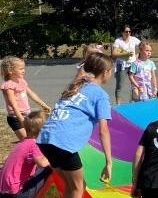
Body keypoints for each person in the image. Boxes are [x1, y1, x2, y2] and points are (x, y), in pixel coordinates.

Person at [37, 53, 113, 198]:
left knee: (72, 186)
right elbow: (103, 131)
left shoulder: (75, 87)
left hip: (46, 139)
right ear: (105, 72)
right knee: (77, 189)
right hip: (63, 142)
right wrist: (109, 162)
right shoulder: (100, 95)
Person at [0, 111, 51, 197]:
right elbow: (43, 163)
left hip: (4, 189)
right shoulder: (34, 145)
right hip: (17, 192)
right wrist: (56, 154)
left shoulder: (23, 142)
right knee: (48, 168)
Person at [1, 56, 51, 140]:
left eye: (23, 68)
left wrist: (43, 105)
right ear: (10, 70)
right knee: (28, 141)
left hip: (27, 115)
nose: (23, 71)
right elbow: (14, 106)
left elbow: (32, 94)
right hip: (16, 118)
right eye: (20, 69)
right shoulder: (8, 86)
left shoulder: (22, 81)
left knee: (35, 140)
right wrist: (22, 120)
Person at [111, 25, 141, 105]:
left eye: (129, 31)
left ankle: (133, 102)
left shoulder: (134, 39)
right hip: (122, 65)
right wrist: (125, 54)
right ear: (122, 32)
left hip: (133, 64)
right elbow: (113, 54)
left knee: (135, 83)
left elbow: (142, 46)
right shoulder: (118, 41)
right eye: (126, 31)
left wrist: (138, 56)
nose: (128, 33)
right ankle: (118, 104)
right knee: (119, 85)